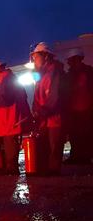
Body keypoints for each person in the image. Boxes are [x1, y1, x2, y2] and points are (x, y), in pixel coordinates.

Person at [0, 59, 31, 175]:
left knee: (10, 144)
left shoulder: (7, 80)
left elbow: (6, 100)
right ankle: (11, 167)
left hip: (10, 120)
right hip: (9, 120)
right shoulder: (8, 79)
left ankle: (12, 169)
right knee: (9, 144)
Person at [30, 42, 67, 175]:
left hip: (54, 118)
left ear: (46, 56)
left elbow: (54, 97)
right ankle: (46, 171)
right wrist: (35, 109)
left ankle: (54, 174)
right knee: (45, 146)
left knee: (54, 147)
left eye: (36, 57)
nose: (34, 60)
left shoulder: (55, 72)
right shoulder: (41, 74)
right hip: (44, 119)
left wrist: (42, 112)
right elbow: (37, 94)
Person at [63, 48, 93, 164]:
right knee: (74, 134)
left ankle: (84, 156)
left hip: (85, 109)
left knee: (84, 133)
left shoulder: (88, 73)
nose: (69, 63)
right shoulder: (72, 74)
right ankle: (77, 155)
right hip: (74, 109)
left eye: (70, 61)